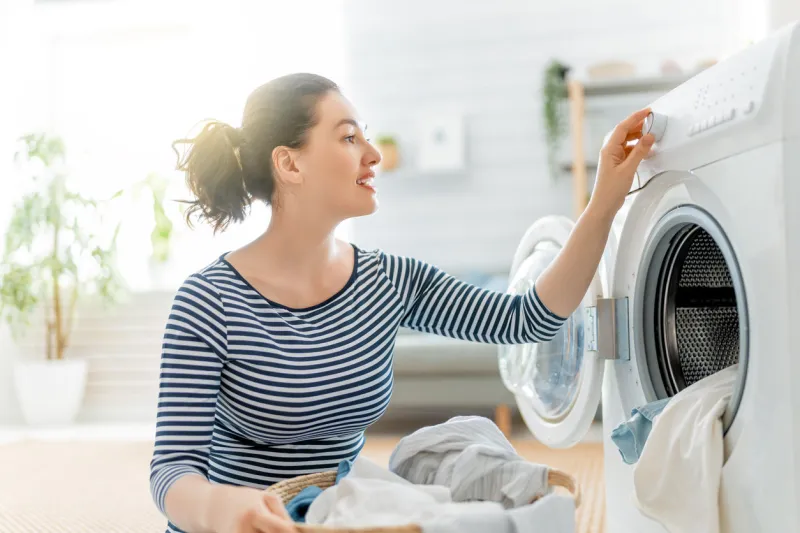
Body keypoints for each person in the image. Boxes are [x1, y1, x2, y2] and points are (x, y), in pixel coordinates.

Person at [149, 72, 655, 533]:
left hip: (336, 520)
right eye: (349, 137)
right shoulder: (209, 301)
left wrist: (604, 201)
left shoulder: (386, 280)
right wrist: (227, 511)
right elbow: (172, 472)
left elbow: (527, 318)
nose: (373, 154)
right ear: (289, 163)